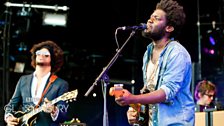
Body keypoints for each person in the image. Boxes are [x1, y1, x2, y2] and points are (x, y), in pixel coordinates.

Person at [115, 0, 195, 125]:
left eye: (156, 19)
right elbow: (149, 89)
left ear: (169, 28)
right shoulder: (148, 52)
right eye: (151, 17)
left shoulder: (177, 53)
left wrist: (133, 98)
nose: (149, 21)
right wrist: (135, 109)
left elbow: (166, 92)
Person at [4, 40, 69, 126]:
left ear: (52, 59)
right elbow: (12, 105)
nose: (41, 55)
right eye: (39, 53)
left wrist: (53, 110)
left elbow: (63, 114)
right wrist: (8, 117)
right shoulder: (23, 80)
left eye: (46, 54)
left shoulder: (61, 84)